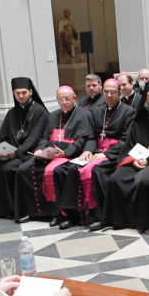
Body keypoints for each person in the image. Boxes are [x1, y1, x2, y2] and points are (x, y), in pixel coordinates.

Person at [90, 80, 149, 232]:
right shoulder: (139, 119)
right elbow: (130, 144)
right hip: (137, 160)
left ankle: (144, 223)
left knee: (143, 180)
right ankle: (115, 220)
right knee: (116, 178)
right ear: (145, 97)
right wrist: (134, 160)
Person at [51, 78, 135, 229]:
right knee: (71, 168)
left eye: (113, 92)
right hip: (96, 151)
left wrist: (106, 154)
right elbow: (91, 136)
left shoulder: (129, 112)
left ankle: (101, 217)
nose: (109, 95)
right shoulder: (97, 112)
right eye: (106, 92)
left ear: (120, 93)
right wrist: (88, 151)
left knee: (97, 171)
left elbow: (126, 140)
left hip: (115, 154)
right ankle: (71, 215)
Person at [13, 86, 92, 223]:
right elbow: (44, 138)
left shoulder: (84, 115)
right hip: (49, 154)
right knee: (23, 170)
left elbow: (82, 139)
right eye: (61, 99)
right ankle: (34, 213)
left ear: (74, 99)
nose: (64, 102)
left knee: (58, 172)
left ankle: (61, 214)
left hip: (70, 155)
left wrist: (65, 153)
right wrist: (39, 150)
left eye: (68, 99)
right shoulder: (53, 115)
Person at [0, 77, 50, 219]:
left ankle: (13, 211)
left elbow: (34, 138)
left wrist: (16, 152)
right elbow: (2, 136)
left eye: (24, 92)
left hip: (28, 153)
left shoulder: (39, 111)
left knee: (8, 169)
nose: (21, 96)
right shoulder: (11, 113)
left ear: (30, 92)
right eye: (17, 93)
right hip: (10, 153)